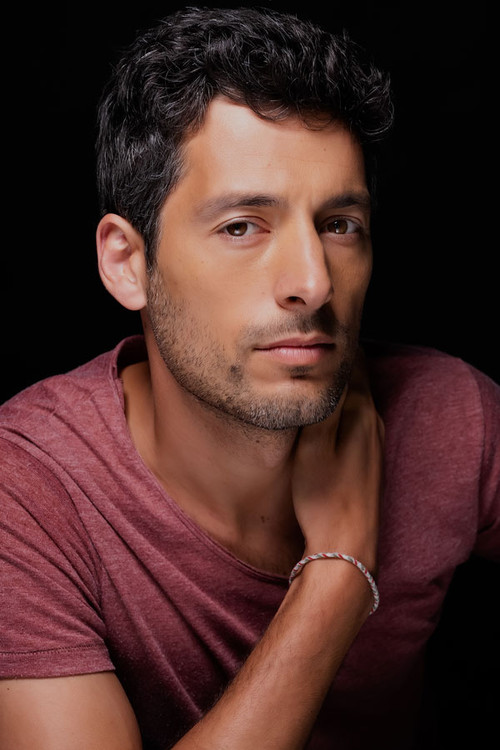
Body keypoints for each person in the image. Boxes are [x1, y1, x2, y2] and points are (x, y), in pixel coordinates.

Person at [0, 6, 498, 749]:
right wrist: (338, 574)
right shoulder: (29, 490)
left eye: (339, 224)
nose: (313, 283)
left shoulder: (451, 416)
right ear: (127, 263)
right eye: (242, 226)